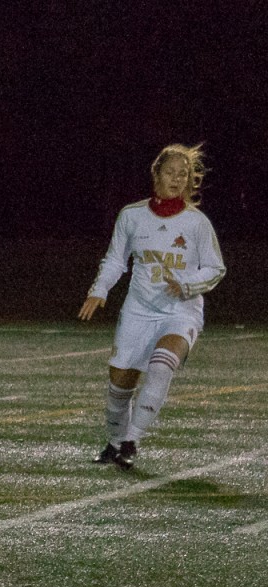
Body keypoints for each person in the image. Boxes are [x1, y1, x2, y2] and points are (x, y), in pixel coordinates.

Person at [78, 144, 225, 470]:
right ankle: (114, 444)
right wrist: (99, 290)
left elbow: (216, 268)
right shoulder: (132, 216)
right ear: (156, 174)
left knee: (161, 366)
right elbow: (117, 259)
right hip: (139, 310)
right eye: (170, 172)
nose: (176, 179)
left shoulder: (196, 223)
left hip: (180, 311)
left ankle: (132, 440)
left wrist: (187, 285)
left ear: (190, 181)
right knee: (119, 385)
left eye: (183, 174)